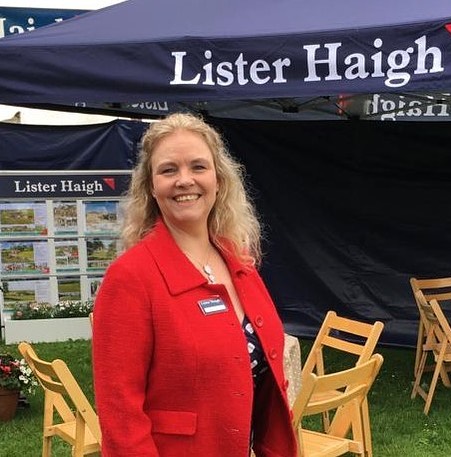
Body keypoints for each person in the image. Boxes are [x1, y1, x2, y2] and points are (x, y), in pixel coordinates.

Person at [92, 113, 298, 457]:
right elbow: (122, 420)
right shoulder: (131, 277)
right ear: (151, 187)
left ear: (219, 180)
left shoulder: (239, 264)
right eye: (168, 170)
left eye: (198, 167)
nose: (184, 180)